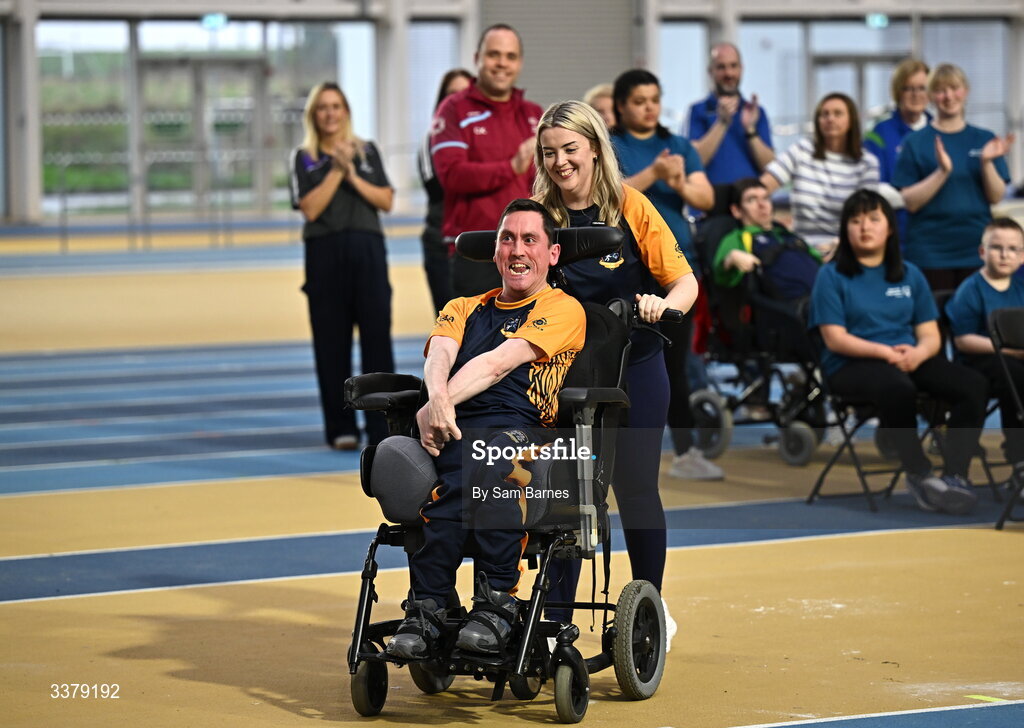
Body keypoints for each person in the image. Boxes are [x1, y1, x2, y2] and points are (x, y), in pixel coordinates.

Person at [385, 199, 586, 660]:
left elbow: (497, 364)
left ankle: (494, 605)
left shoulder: (563, 308)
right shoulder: (462, 306)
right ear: (495, 252)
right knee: (443, 480)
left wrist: (436, 408)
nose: (518, 250)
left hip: (524, 432)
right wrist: (436, 405)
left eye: (530, 240)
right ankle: (431, 609)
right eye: (507, 239)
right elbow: (439, 356)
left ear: (551, 254)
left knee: (492, 465)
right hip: (456, 426)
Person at [533, 100, 699, 648]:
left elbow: (685, 282)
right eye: (550, 152)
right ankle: (556, 622)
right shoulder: (537, 216)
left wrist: (662, 304)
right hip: (564, 376)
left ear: (596, 148)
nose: (560, 162)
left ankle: (648, 606)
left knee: (634, 489)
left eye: (570, 149)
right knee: (566, 497)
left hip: (636, 367)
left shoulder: (631, 205)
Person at [809, 189, 986, 515]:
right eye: (856, 220)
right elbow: (834, 339)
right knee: (897, 388)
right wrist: (884, 352)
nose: (865, 227)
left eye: (874, 219)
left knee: (972, 384)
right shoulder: (830, 276)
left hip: (907, 356)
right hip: (850, 364)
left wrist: (919, 354)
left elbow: (930, 334)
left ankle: (956, 474)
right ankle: (919, 474)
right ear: (845, 229)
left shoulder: (910, 273)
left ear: (889, 227)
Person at [609, 68, 720, 480]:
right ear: (621, 106)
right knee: (625, 365)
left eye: (654, 99)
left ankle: (687, 450)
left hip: (676, 271)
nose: (649, 107)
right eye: (639, 101)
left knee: (678, 366)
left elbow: (704, 196)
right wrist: (654, 175)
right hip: (627, 272)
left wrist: (680, 183)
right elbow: (609, 193)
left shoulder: (676, 145)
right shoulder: (611, 145)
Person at [289, 82, 395, 451]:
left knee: (377, 342)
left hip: (368, 251)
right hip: (325, 254)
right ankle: (341, 427)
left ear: (346, 111)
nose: (330, 113)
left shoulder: (367, 152)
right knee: (331, 345)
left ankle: (382, 427)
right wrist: (335, 170)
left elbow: (385, 199)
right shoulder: (303, 157)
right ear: (314, 115)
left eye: (336, 106)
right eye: (323, 107)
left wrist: (351, 172)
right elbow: (310, 209)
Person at [430, 24, 543, 297]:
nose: (502, 63)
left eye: (510, 56)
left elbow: (544, 185)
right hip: (476, 250)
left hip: (527, 251)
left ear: (520, 63)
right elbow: (452, 175)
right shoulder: (454, 109)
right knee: (478, 339)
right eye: (494, 54)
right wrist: (511, 167)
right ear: (477, 58)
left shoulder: (534, 113)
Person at [893, 63, 1014, 292]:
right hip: (930, 252)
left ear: (965, 91)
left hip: (976, 248)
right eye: (940, 90)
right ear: (931, 97)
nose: (948, 96)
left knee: (975, 321)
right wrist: (942, 172)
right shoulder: (915, 142)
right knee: (934, 321)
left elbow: (996, 196)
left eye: (954, 88)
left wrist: (987, 163)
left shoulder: (984, 139)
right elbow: (910, 202)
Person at [713, 177, 821, 359]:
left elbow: (822, 263)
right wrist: (731, 258)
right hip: (791, 314)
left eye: (765, 198)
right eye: (752, 200)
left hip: (824, 300)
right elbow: (720, 274)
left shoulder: (788, 235)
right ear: (737, 211)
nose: (762, 205)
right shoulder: (738, 238)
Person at [946, 218, 1024, 466]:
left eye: (1013, 249)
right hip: (978, 362)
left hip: (1014, 360)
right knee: (1015, 375)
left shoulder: (1021, 287)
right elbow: (963, 341)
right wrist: (1009, 352)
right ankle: (1019, 459)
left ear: (1022, 256)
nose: (1004, 255)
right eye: (996, 247)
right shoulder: (971, 289)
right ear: (982, 252)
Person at [762, 93, 880, 255]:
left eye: (837, 113)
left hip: (847, 250)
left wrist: (839, 247)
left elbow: (865, 216)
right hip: (801, 249)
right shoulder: (802, 150)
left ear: (851, 120)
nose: (830, 119)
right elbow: (763, 187)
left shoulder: (867, 163)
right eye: (824, 114)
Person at [418, 68, 472, 312]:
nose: (458, 99)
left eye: (465, 92)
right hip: (443, 243)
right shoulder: (431, 138)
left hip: (483, 241)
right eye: (451, 93)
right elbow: (440, 188)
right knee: (450, 325)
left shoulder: (490, 134)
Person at [686, 42, 774, 192]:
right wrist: (722, 123)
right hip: (709, 207)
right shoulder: (697, 111)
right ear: (710, 71)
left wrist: (750, 130)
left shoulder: (756, 112)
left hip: (748, 207)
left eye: (734, 66)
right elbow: (694, 162)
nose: (729, 74)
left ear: (741, 69)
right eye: (721, 67)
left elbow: (770, 167)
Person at [863, 59, 932, 246]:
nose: (916, 95)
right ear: (897, 92)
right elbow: (873, 187)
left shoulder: (940, 132)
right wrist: (921, 196)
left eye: (922, 88)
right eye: (908, 88)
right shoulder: (879, 134)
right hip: (896, 237)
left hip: (937, 236)